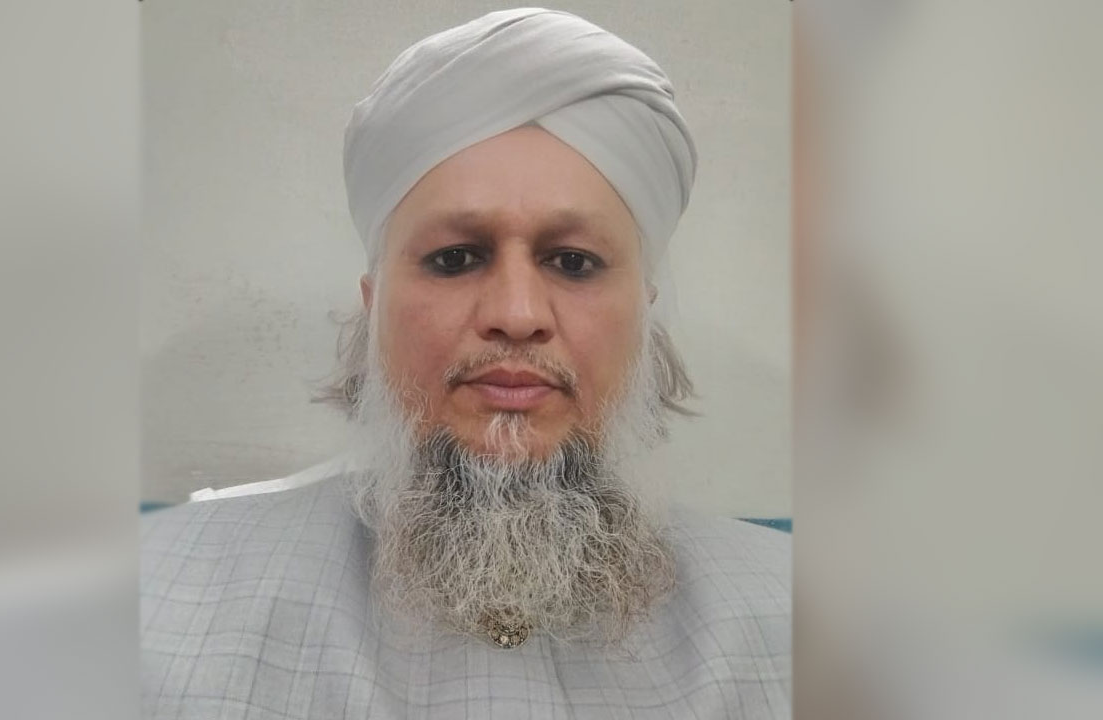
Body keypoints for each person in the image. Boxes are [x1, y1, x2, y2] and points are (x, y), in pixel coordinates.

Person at [141, 8, 790, 719]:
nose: (517, 313)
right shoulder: (156, 598)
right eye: (455, 258)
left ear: (644, 312)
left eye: (574, 262)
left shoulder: (793, 612)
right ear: (374, 310)